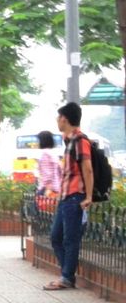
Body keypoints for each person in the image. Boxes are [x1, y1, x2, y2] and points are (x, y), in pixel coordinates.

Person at [44, 102, 93, 291]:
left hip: (75, 198)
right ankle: (68, 273)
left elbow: (87, 169)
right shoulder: (70, 141)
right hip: (65, 197)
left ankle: (66, 277)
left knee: (70, 239)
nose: (57, 121)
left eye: (58, 118)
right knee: (56, 237)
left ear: (64, 118)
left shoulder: (80, 141)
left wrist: (88, 196)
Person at [36, 130, 62, 198]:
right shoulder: (53, 154)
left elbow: (47, 173)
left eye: (39, 140)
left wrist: (48, 188)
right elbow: (60, 171)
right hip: (57, 187)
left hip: (47, 189)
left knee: (37, 207)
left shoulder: (45, 154)